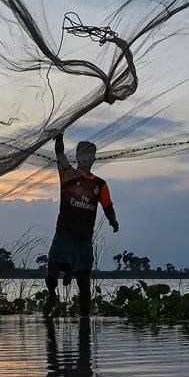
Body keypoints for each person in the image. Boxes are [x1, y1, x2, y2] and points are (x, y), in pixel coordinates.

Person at [43, 132, 118, 317]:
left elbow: (108, 205)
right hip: (63, 234)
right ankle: (51, 296)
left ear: (93, 158)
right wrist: (59, 140)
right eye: (83, 155)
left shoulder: (100, 185)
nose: (86, 159)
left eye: (89, 156)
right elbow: (60, 156)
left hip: (84, 239)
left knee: (84, 283)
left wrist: (113, 220)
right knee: (51, 275)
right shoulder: (68, 175)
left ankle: (85, 321)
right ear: (77, 157)